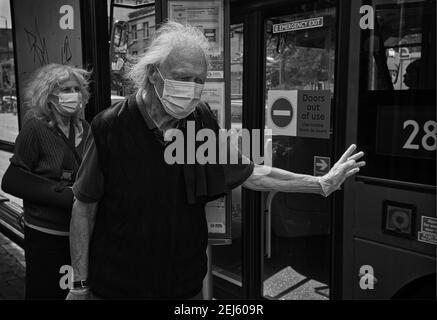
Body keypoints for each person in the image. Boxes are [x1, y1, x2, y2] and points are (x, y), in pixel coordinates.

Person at [67, 22, 365, 300]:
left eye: (200, 80)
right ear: (154, 72)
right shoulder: (110, 127)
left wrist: (320, 183)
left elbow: (250, 172)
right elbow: (84, 207)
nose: (193, 88)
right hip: (119, 288)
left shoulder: (199, 119)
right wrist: (79, 285)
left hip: (184, 286)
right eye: (184, 78)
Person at [10, 64, 91, 299]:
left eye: (77, 89)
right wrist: (64, 195)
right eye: (66, 89)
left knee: (73, 293)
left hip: (79, 233)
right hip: (44, 234)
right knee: (46, 291)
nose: (74, 94)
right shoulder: (35, 129)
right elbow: (14, 179)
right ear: (50, 96)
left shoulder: (86, 129)